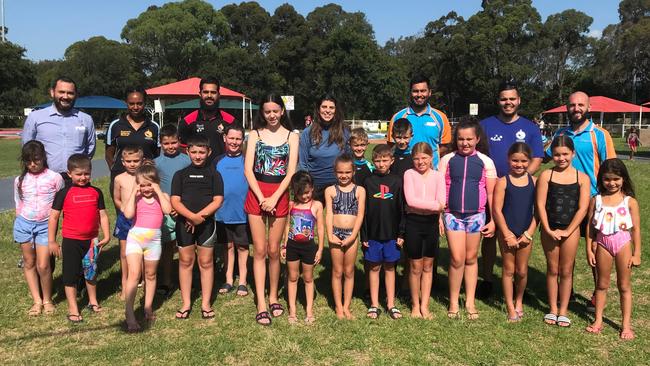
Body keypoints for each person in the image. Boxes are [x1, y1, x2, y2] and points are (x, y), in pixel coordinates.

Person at [547, 91, 616, 311]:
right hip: (565, 202)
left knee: (597, 249)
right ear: (567, 107)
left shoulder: (599, 134)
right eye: (572, 105)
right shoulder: (561, 133)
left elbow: (611, 169)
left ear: (588, 107)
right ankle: (568, 290)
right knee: (568, 248)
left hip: (594, 201)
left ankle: (599, 291)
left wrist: (612, 198)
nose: (576, 108)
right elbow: (546, 156)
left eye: (580, 105)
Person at [478, 81, 544, 298]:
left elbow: (537, 158)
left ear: (518, 100)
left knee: (517, 230)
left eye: (511, 99)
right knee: (490, 235)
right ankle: (487, 279)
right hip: (491, 188)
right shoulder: (486, 125)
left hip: (517, 190)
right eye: (503, 99)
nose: (508, 102)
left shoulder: (531, 128)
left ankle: (518, 283)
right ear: (498, 101)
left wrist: (520, 177)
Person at [244, 94, 298, 326]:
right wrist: (262, 197)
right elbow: (248, 170)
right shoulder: (254, 135)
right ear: (262, 113)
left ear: (282, 111)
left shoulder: (291, 136)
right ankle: (261, 304)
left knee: (274, 250)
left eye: (275, 110)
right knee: (260, 250)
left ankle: (274, 295)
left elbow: (291, 171)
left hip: (280, 194)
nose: (272, 115)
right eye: (267, 112)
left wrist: (275, 197)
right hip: (257, 193)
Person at [438, 118, 497, 320]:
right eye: (461, 139)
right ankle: (454, 301)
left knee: (471, 258)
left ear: (477, 139)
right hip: (452, 215)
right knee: (456, 258)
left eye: (469, 139)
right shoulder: (447, 160)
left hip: (476, 216)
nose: (465, 143)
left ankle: (470, 301)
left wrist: (493, 220)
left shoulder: (485, 161)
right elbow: (441, 189)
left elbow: (491, 195)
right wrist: (440, 216)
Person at [48, 154, 110, 323]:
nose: (83, 177)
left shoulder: (96, 192)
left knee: (91, 272)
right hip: (71, 241)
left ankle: (92, 301)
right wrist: (52, 241)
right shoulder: (63, 193)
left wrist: (106, 234)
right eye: (78, 174)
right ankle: (73, 308)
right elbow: (53, 217)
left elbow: (102, 215)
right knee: (70, 276)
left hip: (91, 241)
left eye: (86, 174)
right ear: (69, 174)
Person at [536, 136, 590, 327]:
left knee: (566, 270)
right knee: (552, 269)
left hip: (571, 230)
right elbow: (540, 204)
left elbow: (583, 208)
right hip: (549, 228)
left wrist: (569, 230)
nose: (561, 158)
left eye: (565, 154)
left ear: (573, 154)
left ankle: (564, 310)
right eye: (557, 155)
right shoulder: (546, 175)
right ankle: (552, 308)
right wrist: (548, 229)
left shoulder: (582, 178)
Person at [585, 159, 641, 340]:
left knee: (624, 286)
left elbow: (636, 229)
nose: (612, 183)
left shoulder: (629, 202)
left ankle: (625, 325)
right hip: (602, 244)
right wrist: (589, 248)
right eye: (607, 179)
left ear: (623, 178)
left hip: (623, 243)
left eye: (616, 179)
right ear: (601, 179)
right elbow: (590, 227)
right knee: (601, 285)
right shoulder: (597, 200)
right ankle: (598, 320)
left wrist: (637, 252)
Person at [171, 135, 224, 320]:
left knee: (206, 262)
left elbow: (218, 200)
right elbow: (175, 200)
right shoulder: (180, 175)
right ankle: (186, 302)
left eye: (202, 152)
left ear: (209, 152)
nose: (198, 156)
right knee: (185, 261)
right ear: (187, 152)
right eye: (194, 152)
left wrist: (200, 217)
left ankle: (206, 303)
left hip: (206, 224)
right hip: (184, 223)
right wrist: (191, 217)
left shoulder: (214, 175)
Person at [14, 141, 64, 316]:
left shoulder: (55, 177)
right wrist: (20, 218)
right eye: (28, 161)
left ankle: (47, 300)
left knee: (43, 265)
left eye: (36, 160)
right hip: (24, 224)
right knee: (29, 262)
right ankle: (37, 301)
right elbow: (18, 203)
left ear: (43, 157)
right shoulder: (20, 180)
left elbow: (59, 202)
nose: (33, 165)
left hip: (45, 226)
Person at [122, 165, 171, 332]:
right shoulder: (136, 198)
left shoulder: (162, 196)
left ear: (156, 183)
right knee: (134, 274)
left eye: (149, 184)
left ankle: (148, 306)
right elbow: (128, 214)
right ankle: (129, 312)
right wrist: (132, 194)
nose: (146, 189)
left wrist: (157, 190)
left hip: (154, 241)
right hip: (135, 239)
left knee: (150, 274)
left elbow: (167, 210)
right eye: (142, 185)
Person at [491, 143, 537, 322]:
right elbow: (497, 210)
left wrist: (529, 232)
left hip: (526, 232)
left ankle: (519, 301)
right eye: (515, 161)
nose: (519, 164)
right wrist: (507, 234)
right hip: (507, 232)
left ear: (529, 161)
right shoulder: (503, 181)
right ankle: (510, 306)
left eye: (524, 161)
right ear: (508, 160)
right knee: (509, 270)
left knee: (522, 270)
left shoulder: (534, 182)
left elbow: (538, 210)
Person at [361, 144, 405, 320]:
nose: (381, 164)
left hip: (392, 235)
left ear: (391, 161)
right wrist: (363, 236)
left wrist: (401, 233)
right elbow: (363, 212)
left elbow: (402, 209)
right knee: (374, 267)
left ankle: (391, 304)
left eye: (384, 160)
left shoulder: (397, 181)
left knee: (389, 268)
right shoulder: (368, 182)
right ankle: (373, 304)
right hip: (372, 235)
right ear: (373, 162)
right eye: (377, 160)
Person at [402, 142, 445, 319]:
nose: (421, 162)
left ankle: (424, 305)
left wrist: (437, 209)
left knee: (428, 266)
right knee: (415, 266)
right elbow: (411, 201)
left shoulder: (438, 176)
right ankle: (415, 305)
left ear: (431, 158)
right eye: (417, 159)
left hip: (431, 224)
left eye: (424, 158)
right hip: (414, 223)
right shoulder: (409, 174)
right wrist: (435, 206)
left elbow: (442, 201)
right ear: (412, 159)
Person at [22, 77, 95, 178]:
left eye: (70, 93)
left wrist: (79, 167)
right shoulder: (35, 117)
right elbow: (27, 148)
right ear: (52, 92)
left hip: (75, 180)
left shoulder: (86, 119)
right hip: (45, 177)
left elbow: (90, 148)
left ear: (76, 95)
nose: (65, 96)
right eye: (61, 92)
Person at [324, 154, 366, 320]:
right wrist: (330, 234)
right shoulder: (330, 190)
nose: (344, 175)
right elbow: (329, 215)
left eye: (347, 172)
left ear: (353, 171)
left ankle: (347, 305)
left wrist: (353, 236)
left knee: (349, 271)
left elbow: (360, 215)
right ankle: (338, 306)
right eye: (340, 172)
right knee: (337, 271)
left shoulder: (360, 191)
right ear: (335, 172)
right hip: (335, 233)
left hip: (351, 236)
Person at [281, 171, 324, 324]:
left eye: (307, 192)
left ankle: (309, 311)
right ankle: (292, 311)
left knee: (308, 278)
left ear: (312, 188)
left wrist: (319, 250)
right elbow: (287, 226)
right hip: (292, 246)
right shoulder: (291, 205)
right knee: (292, 278)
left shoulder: (317, 205)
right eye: (300, 194)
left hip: (309, 247)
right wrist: (284, 245)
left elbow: (320, 229)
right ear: (294, 192)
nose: (304, 196)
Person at [153, 124, 191, 296]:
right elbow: (155, 188)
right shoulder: (156, 163)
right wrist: (166, 205)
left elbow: (191, 185)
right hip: (166, 211)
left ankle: (189, 279)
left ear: (179, 142)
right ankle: (166, 281)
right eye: (166, 143)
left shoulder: (187, 160)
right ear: (160, 143)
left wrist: (183, 207)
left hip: (184, 210)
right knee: (167, 247)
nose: (170, 146)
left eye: (173, 142)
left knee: (187, 247)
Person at [214, 126, 250, 297]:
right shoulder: (217, 161)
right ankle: (228, 279)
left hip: (243, 213)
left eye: (238, 139)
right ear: (224, 139)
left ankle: (242, 280)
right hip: (222, 213)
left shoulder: (247, 160)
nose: (234, 142)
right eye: (232, 138)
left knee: (242, 247)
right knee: (227, 246)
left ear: (242, 141)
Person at [387, 74, 451, 169]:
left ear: (429, 92)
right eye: (415, 91)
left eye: (423, 91)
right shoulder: (398, 116)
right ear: (410, 93)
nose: (419, 95)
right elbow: (391, 145)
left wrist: (425, 159)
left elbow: (445, 146)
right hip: (403, 172)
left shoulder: (440, 117)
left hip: (430, 173)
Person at [105, 87, 160, 196]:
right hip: (121, 177)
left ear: (145, 103)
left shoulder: (154, 126)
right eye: (131, 103)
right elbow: (109, 153)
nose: (135, 107)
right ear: (126, 103)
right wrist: (115, 170)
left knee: (145, 211)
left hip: (146, 180)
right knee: (123, 212)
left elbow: (156, 155)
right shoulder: (116, 125)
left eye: (139, 103)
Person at [298, 95, 350, 203]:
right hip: (315, 187)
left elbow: (349, 159)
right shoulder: (308, 133)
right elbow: (303, 164)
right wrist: (307, 187)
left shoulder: (345, 131)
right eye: (324, 107)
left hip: (339, 185)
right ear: (318, 109)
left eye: (331, 107)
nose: (327, 111)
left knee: (339, 220)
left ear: (336, 110)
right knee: (313, 219)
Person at [178, 76, 239, 163]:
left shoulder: (231, 121)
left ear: (218, 95)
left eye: (213, 92)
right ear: (200, 94)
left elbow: (238, 148)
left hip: (222, 172)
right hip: (197, 172)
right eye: (206, 92)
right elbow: (183, 152)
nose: (209, 96)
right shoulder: (187, 122)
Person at [113, 145, 144, 299]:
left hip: (142, 219)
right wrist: (123, 208)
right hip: (125, 219)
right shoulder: (119, 178)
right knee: (125, 253)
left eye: (136, 161)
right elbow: (116, 198)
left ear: (142, 161)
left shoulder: (145, 177)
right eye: (129, 161)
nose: (132, 164)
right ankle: (125, 284)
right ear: (123, 162)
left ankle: (143, 280)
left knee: (143, 252)